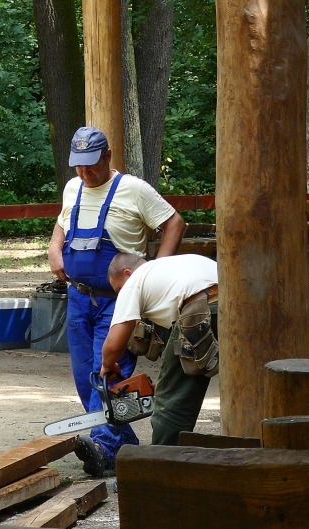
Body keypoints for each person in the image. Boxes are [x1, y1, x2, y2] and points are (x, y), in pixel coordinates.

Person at [48, 126, 185, 476]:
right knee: (85, 379)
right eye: (78, 166)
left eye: (91, 165)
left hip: (118, 301)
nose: (85, 172)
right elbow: (63, 222)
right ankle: (122, 445)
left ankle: (103, 449)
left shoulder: (133, 190)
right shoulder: (73, 188)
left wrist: (156, 272)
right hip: (79, 297)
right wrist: (54, 248)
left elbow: (174, 223)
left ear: (108, 156)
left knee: (105, 375)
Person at [101, 253, 219, 446]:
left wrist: (108, 365)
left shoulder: (134, 281)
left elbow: (113, 345)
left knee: (170, 402)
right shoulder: (173, 265)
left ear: (127, 273)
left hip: (199, 310)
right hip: (236, 301)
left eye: (119, 289)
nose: (120, 293)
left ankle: (163, 462)